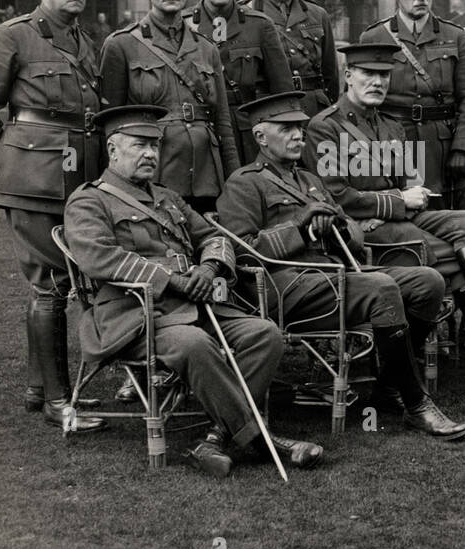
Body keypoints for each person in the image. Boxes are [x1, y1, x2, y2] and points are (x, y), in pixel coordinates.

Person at [63, 105, 321, 476]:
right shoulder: (90, 200)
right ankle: (263, 441)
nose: (151, 154)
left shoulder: (168, 198)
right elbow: (99, 256)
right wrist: (172, 280)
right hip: (136, 315)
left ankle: (214, 439)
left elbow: (214, 236)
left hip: (196, 306)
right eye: (140, 145)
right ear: (113, 150)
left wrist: (208, 267)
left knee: (265, 334)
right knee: (193, 345)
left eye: (155, 146)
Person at [303, 43, 465, 395]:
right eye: (368, 74)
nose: (377, 82)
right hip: (362, 230)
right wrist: (398, 200)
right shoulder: (324, 127)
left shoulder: (392, 125)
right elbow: (337, 196)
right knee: (461, 264)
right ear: (348, 76)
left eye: (383, 75)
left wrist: (412, 191)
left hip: (402, 220)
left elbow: (410, 180)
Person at [217, 92, 465, 440]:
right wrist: (301, 229)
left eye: (300, 129)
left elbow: (352, 233)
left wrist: (337, 225)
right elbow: (243, 251)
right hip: (285, 288)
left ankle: (387, 388)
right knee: (381, 288)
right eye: (286, 129)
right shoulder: (244, 183)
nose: (298, 136)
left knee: (428, 281)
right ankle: (417, 405)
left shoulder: (310, 180)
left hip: (333, 276)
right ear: (260, 137)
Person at [0, 0, 106, 430]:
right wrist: (1, 163)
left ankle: (35, 389)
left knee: (56, 284)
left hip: (76, 176)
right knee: (51, 286)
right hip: (31, 179)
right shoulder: (13, 35)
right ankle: (58, 402)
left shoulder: (86, 41)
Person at [99, 0, 239, 213]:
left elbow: (223, 123)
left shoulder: (206, 47)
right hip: (154, 171)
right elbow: (110, 126)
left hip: (206, 173)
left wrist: (232, 180)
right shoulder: (122, 45)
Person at [360, 0, 465, 199]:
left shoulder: (456, 37)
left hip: (441, 145)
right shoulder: (374, 38)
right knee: (399, 206)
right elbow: (359, 101)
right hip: (392, 141)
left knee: (442, 207)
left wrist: (463, 147)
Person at [182, 0, 294, 163]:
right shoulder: (183, 26)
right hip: (201, 134)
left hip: (249, 136)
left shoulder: (260, 25)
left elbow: (283, 93)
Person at [239, 0, 338, 116]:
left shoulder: (317, 15)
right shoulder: (243, 15)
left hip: (313, 113)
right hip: (267, 112)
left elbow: (330, 78)